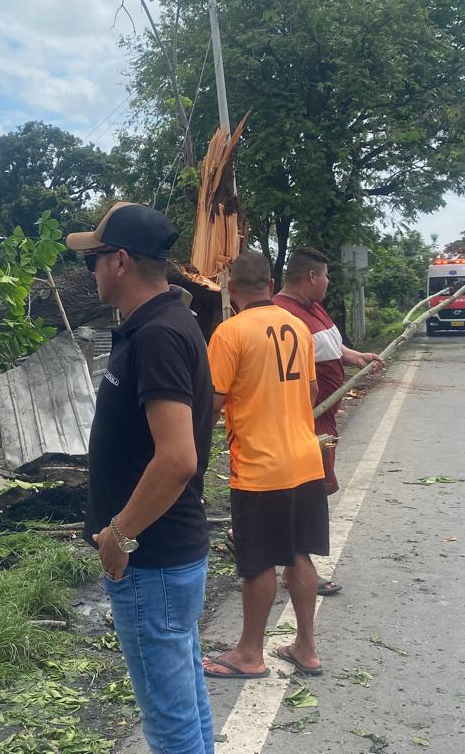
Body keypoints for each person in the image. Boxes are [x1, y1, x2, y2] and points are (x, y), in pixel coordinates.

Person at [69, 202, 216, 754]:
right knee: (186, 700)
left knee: (169, 720)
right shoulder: (161, 324)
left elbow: (177, 458)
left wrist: (119, 533)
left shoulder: (158, 334)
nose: (91, 270)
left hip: (150, 560)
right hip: (164, 556)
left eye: (95, 259)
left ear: (121, 261)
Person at [203, 252, 329, 680]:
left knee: (258, 562)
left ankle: (249, 654)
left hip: (260, 468)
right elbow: (311, 392)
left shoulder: (229, 332)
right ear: (271, 284)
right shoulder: (298, 327)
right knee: (298, 554)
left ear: (231, 288)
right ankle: (306, 647)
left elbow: (213, 403)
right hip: (305, 460)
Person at [273, 246, 383, 596]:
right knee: (306, 494)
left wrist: (356, 356)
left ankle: (253, 538)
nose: (328, 281)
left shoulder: (314, 308)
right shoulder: (282, 315)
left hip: (325, 419)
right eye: (325, 275)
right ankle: (296, 569)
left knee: (316, 489)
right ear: (311, 276)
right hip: (305, 423)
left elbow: (332, 348)